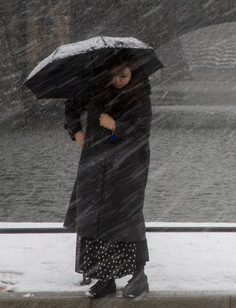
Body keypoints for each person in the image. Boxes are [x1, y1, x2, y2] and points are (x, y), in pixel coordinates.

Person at [63, 52, 153, 299]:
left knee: (127, 217)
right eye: (113, 75)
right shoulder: (94, 90)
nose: (118, 80)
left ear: (133, 73)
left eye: (123, 75)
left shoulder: (140, 96)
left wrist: (114, 125)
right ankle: (105, 277)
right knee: (96, 216)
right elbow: (70, 108)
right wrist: (77, 133)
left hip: (128, 165)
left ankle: (138, 276)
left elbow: (141, 132)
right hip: (95, 163)